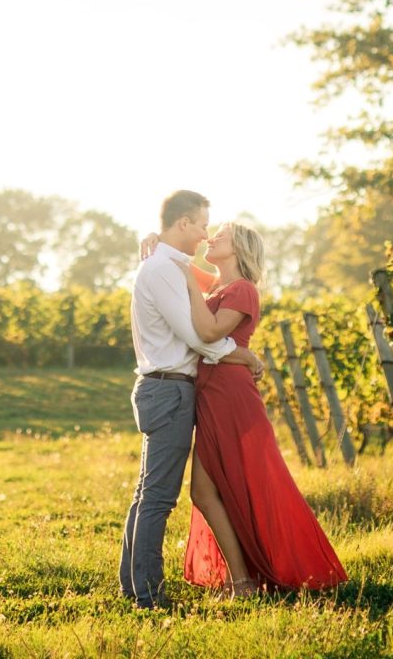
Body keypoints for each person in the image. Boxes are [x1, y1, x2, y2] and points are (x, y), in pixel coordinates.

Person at [158, 223, 348, 595]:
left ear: (239, 247)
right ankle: (241, 577)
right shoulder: (213, 285)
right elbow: (169, 259)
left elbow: (210, 333)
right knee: (206, 492)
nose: (211, 238)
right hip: (211, 398)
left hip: (233, 400)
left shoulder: (242, 290)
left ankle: (244, 579)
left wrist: (187, 278)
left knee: (239, 488)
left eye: (221, 236)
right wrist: (153, 240)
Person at [118, 190, 265, 610]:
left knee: (149, 493)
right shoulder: (165, 269)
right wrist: (245, 356)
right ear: (183, 223)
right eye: (201, 224)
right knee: (159, 498)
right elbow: (199, 336)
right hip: (168, 389)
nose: (204, 235)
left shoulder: (167, 264)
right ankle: (147, 595)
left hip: (167, 387)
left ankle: (135, 586)